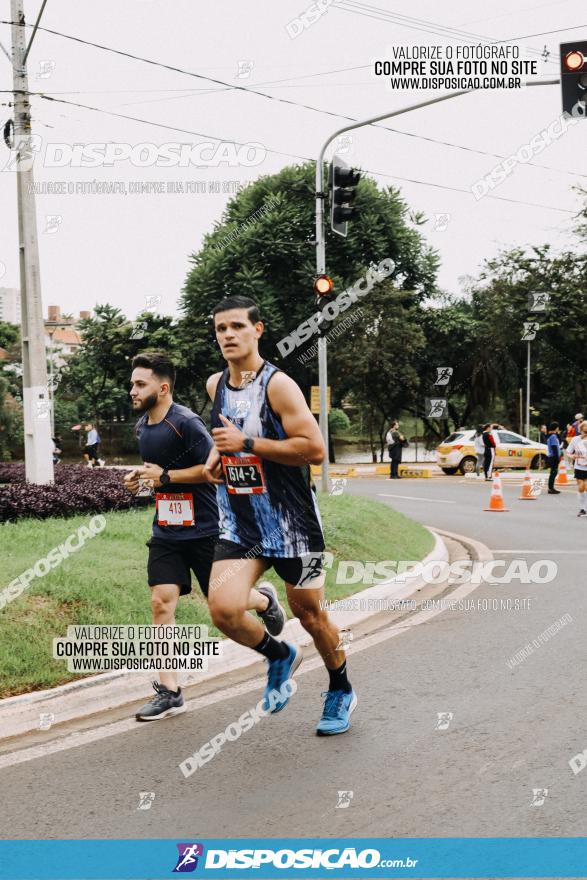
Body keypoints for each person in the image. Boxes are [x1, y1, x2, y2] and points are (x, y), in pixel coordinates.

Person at [204, 295, 356, 736]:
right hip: (241, 522)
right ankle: (279, 655)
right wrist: (219, 454)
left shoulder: (278, 386)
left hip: (294, 525)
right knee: (224, 609)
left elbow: (314, 449)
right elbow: (227, 435)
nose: (228, 335)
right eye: (221, 329)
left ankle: (340, 688)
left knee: (310, 614)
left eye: (237, 327)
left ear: (258, 330)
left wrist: (246, 446)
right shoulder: (216, 385)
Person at [124, 351, 285, 722]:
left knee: (223, 603)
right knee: (161, 604)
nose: (132, 390)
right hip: (166, 531)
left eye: (140, 383)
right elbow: (158, 474)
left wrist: (165, 477)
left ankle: (262, 600)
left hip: (205, 531)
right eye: (133, 383)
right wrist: (141, 479)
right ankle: (170, 691)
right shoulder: (142, 428)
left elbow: (214, 471)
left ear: (162, 388)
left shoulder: (187, 423)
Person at [566, 420, 587, 516]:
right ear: (581, 430)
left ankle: (585, 508)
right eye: (585, 431)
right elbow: (568, 452)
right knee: (581, 487)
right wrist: (572, 456)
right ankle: (582, 508)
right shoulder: (575, 440)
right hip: (579, 467)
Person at [546, 422, 561, 495]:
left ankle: (551, 488)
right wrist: (557, 458)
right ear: (556, 428)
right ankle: (551, 488)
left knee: (553, 472)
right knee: (553, 472)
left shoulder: (551, 436)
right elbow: (554, 447)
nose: (558, 428)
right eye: (557, 427)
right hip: (554, 457)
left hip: (552, 456)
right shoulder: (553, 436)